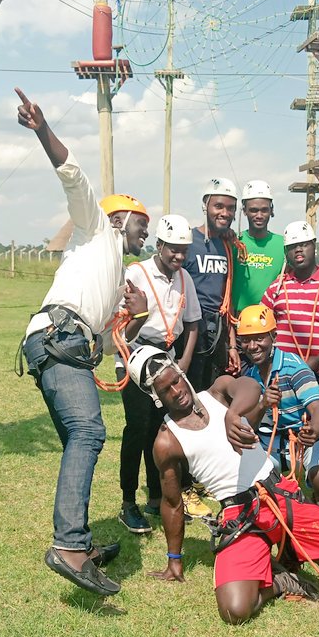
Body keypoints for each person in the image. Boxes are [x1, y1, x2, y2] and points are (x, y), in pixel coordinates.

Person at [14, 87, 150, 597]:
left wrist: (132, 319)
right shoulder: (98, 232)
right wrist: (42, 127)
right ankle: (69, 546)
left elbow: (114, 347)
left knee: (80, 440)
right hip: (58, 336)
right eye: (142, 224)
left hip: (62, 342)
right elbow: (73, 174)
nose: (145, 234)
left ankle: (82, 540)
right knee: (90, 436)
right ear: (120, 218)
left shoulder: (114, 275)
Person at [128, 346, 319, 625]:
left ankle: (287, 548)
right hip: (240, 516)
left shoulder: (216, 392)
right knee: (234, 610)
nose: (177, 391)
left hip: (279, 496)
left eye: (176, 380)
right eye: (165, 389)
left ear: (182, 373)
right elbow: (172, 503)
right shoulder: (167, 441)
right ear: (155, 397)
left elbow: (250, 385)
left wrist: (233, 414)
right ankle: (280, 580)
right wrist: (174, 559)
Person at [115, 214, 201, 534]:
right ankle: (127, 504)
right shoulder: (136, 273)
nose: (179, 256)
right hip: (135, 358)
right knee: (137, 431)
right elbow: (121, 321)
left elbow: (192, 323)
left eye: (184, 250)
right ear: (159, 245)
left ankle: (156, 498)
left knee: (161, 433)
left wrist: (186, 361)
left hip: (168, 362)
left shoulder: (184, 279)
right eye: (173, 249)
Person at [261, 220, 319, 502]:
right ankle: (296, 484)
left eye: (303, 244)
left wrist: (318, 361)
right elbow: (264, 322)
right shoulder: (278, 287)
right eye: (292, 247)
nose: (298, 251)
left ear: (314, 246)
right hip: (287, 376)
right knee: (294, 429)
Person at [237, 304, 319, 527]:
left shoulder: (293, 367)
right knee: (249, 477)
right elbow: (247, 425)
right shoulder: (249, 375)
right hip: (279, 442)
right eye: (245, 340)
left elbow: (317, 408)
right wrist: (262, 404)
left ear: (273, 336)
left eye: (259, 338)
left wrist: (314, 431)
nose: (252, 346)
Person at [182, 177, 243, 517]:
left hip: (218, 331)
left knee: (211, 402)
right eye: (219, 206)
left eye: (231, 208)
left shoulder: (226, 246)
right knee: (187, 404)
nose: (225, 212)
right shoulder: (187, 241)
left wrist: (231, 342)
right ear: (205, 204)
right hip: (191, 328)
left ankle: (205, 478)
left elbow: (227, 297)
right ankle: (182, 484)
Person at [232, 180, 285, 312]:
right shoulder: (234, 243)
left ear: (271, 210)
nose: (259, 216)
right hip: (237, 320)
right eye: (254, 210)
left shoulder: (283, 245)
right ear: (244, 211)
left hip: (270, 321)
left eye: (264, 210)